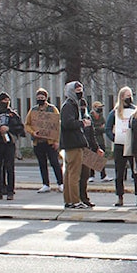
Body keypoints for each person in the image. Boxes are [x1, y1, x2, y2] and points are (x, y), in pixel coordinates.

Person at [25, 88, 64, 194]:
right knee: (42, 164)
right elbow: (27, 124)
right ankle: (45, 184)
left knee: (55, 163)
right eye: (38, 98)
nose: (40, 99)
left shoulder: (52, 109)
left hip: (50, 142)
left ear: (46, 98)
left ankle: (61, 183)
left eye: (42, 98)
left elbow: (57, 125)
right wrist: (33, 132)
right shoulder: (33, 110)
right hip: (38, 142)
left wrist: (56, 141)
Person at [59, 81, 91, 209]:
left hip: (71, 143)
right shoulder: (69, 106)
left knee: (69, 173)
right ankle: (75, 200)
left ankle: (69, 200)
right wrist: (82, 123)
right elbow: (67, 123)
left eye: (81, 90)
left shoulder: (72, 105)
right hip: (73, 143)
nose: (80, 93)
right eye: (77, 90)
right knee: (74, 174)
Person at [105, 86, 137, 207]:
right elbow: (107, 128)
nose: (130, 97)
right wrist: (114, 138)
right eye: (127, 95)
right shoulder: (115, 112)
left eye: (131, 95)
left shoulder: (135, 110)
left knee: (136, 172)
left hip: (133, 145)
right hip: (119, 145)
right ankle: (120, 196)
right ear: (122, 96)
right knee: (119, 172)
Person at [76, 97, 104, 207]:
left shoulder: (88, 118)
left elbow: (92, 135)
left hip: (87, 149)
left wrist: (97, 148)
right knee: (76, 176)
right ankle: (77, 198)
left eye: (84, 107)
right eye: (80, 107)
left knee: (85, 175)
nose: (82, 109)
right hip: (77, 148)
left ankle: (84, 198)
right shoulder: (75, 119)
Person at [89, 100, 111, 181]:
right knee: (92, 158)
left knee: (101, 158)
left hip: (101, 140)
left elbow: (105, 128)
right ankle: (91, 175)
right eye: (99, 107)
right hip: (93, 140)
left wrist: (99, 128)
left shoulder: (101, 116)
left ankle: (103, 175)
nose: (100, 109)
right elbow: (92, 129)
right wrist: (99, 128)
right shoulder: (90, 117)